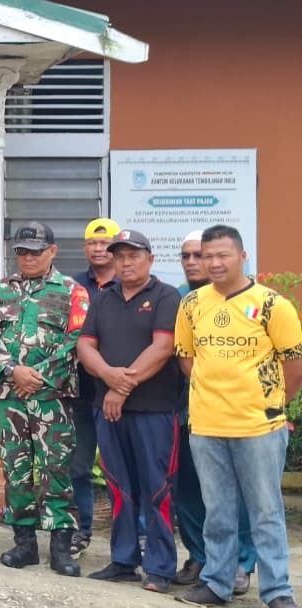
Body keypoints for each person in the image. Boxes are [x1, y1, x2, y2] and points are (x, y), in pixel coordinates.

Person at [173, 224, 302, 608]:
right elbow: (186, 358)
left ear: (243, 256)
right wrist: (213, 394)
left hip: (258, 426)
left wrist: (271, 402)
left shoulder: (272, 305)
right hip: (207, 426)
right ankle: (217, 584)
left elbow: (294, 365)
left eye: (222, 255)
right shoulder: (192, 305)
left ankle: (277, 591)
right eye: (207, 255)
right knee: (218, 512)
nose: (213, 263)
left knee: (265, 512)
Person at [77, 229, 182, 593]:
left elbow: (163, 347)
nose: (126, 263)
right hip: (109, 411)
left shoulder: (166, 296)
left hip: (154, 410)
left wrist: (120, 388)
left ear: (150, 259)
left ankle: (160, 568)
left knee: (157, 488)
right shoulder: (103, 299)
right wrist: (108, 376)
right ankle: (123, 560)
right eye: (119, 256)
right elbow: (85, 345)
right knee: (118, 486)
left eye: (134, 256)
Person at [0, 222, 90, 577]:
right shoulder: (0, 290)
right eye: (22, 252)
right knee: (15, 468)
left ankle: (61, 547)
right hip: (11, 395)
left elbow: (76, 340)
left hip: (51, 398)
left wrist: (38, 375)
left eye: (36, 252)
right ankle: (24, 543)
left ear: (52, 251)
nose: (28, 258)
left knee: (55, 469)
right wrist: (12, 370)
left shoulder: (72, 291)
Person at [173, 229, 258, 595]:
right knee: (190, 489)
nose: (195, 262)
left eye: (201, 254)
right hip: (185, 410)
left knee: (236, 494)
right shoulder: (178, 298)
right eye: (187, 256)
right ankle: (200, 556)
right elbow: (181, 355)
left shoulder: (251, 299)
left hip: (237, 414)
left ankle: (241, 563)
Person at [69, 216, 120, 554]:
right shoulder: (72, 285)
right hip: (79, 391)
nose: (99, 248)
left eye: (105, 243)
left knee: (120, 469)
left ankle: (129, 538)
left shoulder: (131, 284)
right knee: (78, 466)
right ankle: (80, 531)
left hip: (120, 393)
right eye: (92, 243)